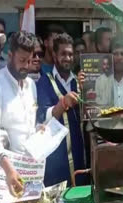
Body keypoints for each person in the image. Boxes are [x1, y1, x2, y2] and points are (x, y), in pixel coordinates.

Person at [0, 31, 36, 196]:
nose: (26, 66)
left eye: (29, 60)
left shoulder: (31, 85)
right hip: (5, 173)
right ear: (10, 55)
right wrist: (8, 169)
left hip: (32, 170)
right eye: (22, 61)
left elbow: (29, 125)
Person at [36, 33, 86, 187]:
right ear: (55, 55)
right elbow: (43, 117)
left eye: (71, 54)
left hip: (79, 155)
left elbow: (89, 117)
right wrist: (63, 103)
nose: (68, 58)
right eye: (63, 54)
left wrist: (87, 93)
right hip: (56, 159)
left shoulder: (79, 82)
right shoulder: (43, 82)